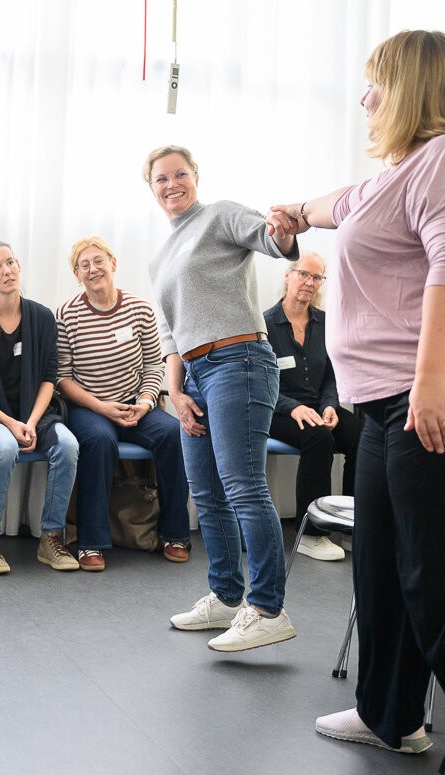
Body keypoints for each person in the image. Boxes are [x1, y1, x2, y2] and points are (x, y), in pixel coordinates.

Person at [268, 30, 445, 775]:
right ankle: (390, 715)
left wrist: (430, 380)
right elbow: (340, 204)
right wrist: (296, 212)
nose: (365, 99)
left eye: (376, 84)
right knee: (384, 564)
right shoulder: (400, 174)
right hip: (395, 400)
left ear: (414, 87)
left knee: (444, 578)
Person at [144, 144, 301, 652]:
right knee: (208, 494)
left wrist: (284, 231)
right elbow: (170, 334)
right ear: (151, 188)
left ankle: (268, 608)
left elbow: (271, 240)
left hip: (239, 362)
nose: (172, 184)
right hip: (193, 375)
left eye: (180, 174)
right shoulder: (160, 257)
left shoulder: (219, 216)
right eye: (161, 179)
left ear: (196, 176)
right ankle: (227, 597)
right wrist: (174, 391)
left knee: (243, 487)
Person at [55, 235, 190, 569]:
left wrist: (145, 402)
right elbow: (63, 378)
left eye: (98, 261)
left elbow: (153, 365)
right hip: (89, 407)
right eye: (84, 265)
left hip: (134, 403)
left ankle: (175, 534)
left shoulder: (140, 309)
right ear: (77, 275)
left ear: (113, 264)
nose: (93, 269)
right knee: (100, 440)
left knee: (174, 434)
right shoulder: (67, 315)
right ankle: (91, 543)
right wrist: (101, 407)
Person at [0, 240, 80, 573]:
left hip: (34, 413)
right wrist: (11, 423)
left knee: (68, 445)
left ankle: (51, 537)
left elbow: (48, 380)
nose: (6, 271)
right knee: (6, 446)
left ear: (19, 267)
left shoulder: (42, 318)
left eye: (10, 262)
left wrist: (32, 421)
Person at [262, 253, 362, 561]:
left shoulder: (326, 323)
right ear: (288, 276)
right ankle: (312, 534)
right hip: (277, 410)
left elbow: (331, 375)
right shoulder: (264, 324)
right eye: (303, 274)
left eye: (317, 277)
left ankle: (351, 526)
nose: (309, 282)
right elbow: (261, 382)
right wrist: (293, 407)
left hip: (319, 406)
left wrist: (330, 405)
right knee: (319, 437)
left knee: (363, 436)